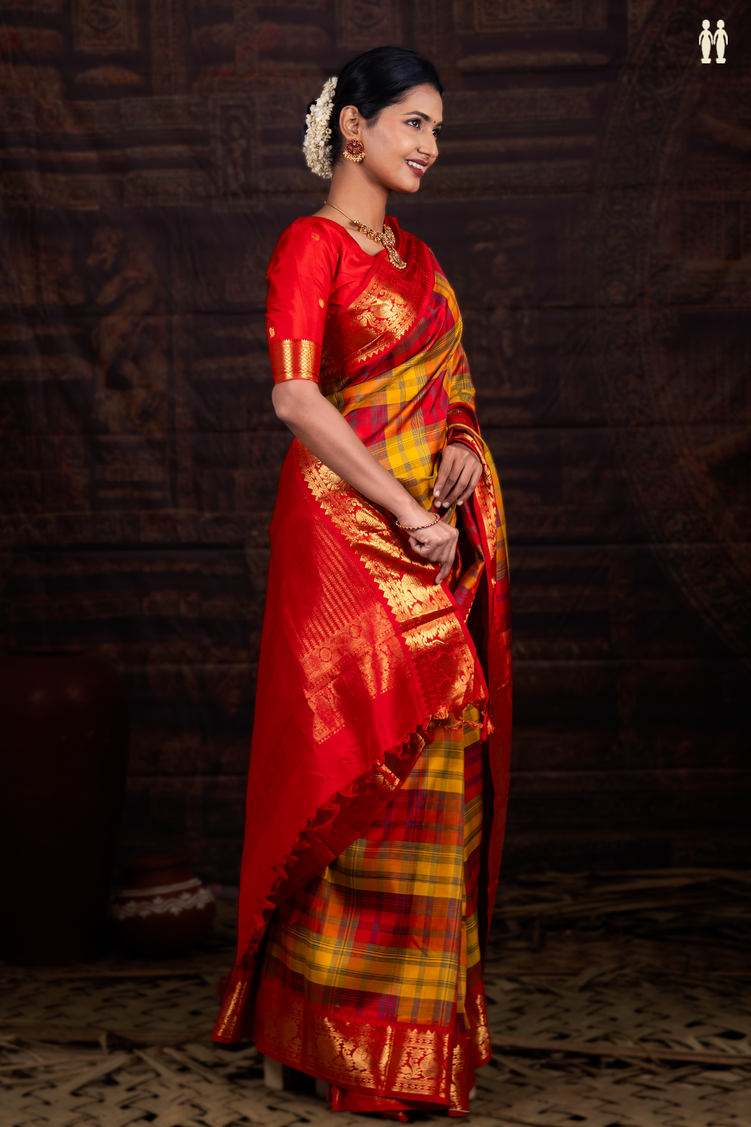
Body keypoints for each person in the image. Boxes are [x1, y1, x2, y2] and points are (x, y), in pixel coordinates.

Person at [212, 45, 512, 1120]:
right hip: (346, 539)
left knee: (433, 778)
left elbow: (454, 383)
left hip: (428, 536)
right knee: (343, 768)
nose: (429, 146)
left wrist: (462, 443)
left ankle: (403, 1044)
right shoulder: (312, 246)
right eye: (413, 123)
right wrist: (407, 509)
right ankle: (314, 1034)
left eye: (436, 130)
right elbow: (296, 401)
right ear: (353, 126)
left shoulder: (422, 261)